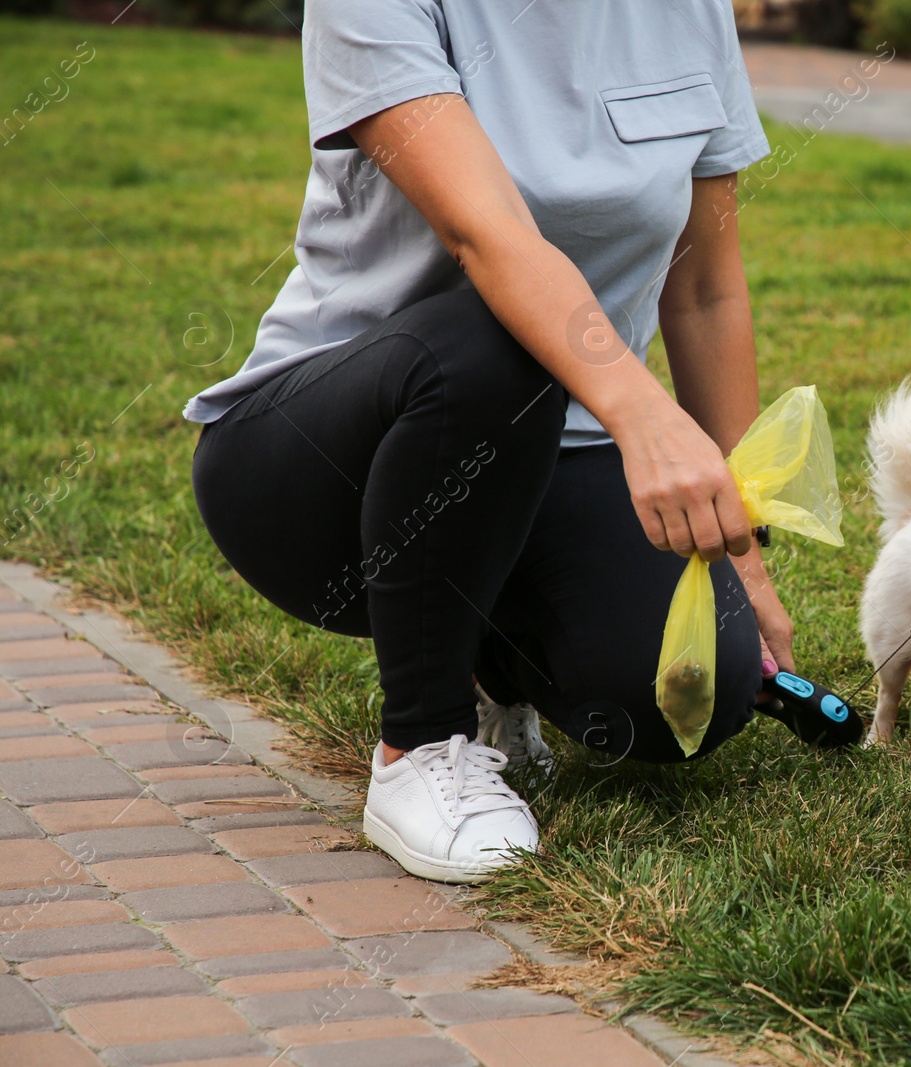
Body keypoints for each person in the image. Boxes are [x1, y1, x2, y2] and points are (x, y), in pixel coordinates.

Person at [185, 0, 794, 884]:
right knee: (500, 342)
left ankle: (495, 671)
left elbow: (704, 287)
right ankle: (422, 746)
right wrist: (644, 411)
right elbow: (490, 236)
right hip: (317, 462)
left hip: (556, 446)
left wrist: (743, 543)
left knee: (698, 692)